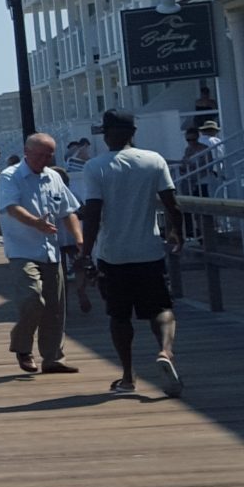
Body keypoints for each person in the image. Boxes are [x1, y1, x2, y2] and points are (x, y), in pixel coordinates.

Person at [77, 108, 184, 398]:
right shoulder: (153, 160)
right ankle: (165, 351)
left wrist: (86, 253)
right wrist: (178, 233)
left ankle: (127, 375)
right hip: (149, 252)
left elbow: (93, 213)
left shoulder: (95, 167)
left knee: (119, 316)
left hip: (114, 255)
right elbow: (172, 204)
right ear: (133, 133)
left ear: (108, 134)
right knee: (161, 309)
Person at [0, 133, 83, 375]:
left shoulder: (54, 176)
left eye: (49, 155)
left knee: (55, 308)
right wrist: (36, 223)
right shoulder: (10, 177)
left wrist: (79, 239)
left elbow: (69, 211)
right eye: (40, 155)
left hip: (50, 251)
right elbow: (11, 207)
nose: (45, 159)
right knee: (33, 299)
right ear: (27, 152)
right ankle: (22, 346)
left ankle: (52, 358)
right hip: (22, 250)